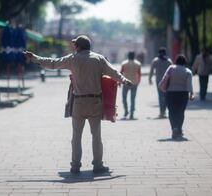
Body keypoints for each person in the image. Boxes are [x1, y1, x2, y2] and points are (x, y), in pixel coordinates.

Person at [23, 35, 132, 174]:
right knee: (96, 136)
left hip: (79, 103)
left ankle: (75, 166)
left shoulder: (72, 59)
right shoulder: (99, 59)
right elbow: (114, 73)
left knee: (76, 137)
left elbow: (52, 63)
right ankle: (98, 165)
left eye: (75, 45)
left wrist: (34, 58)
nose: (74, 47)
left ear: (79, 46)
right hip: (95, 102)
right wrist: (125, 81)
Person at [161, 54, 194, 139]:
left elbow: (165, 78)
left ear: (176, 61)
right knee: (180, 112)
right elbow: (189, 85)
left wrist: (163, 87)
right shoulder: (188, 71)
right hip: (183, 94)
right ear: (185, 62)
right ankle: (179, 128)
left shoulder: (171, 68)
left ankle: (174, 128)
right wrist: (191, 94)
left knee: (172, 112)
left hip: (170, 93)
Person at [149, 47, 172, 118]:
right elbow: (172, 71)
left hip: (159, 81)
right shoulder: (169, 61)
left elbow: (151, 70)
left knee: (160, 96)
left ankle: (162, 112)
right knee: (165, 96)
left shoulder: (155, 60)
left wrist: (150, 78)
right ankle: (164, 111)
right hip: (167, 81)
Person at [120, 51, 141, 119]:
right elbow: (139, 74)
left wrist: (119, 82)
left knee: (124, 98)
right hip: (134, 83)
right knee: (132, 99)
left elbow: (120, 74)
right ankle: (131, 113)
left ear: (128, 56)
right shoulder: (138, 64)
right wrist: (138, 82)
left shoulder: (124, 63)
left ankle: (126, 111)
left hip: (126, 83)